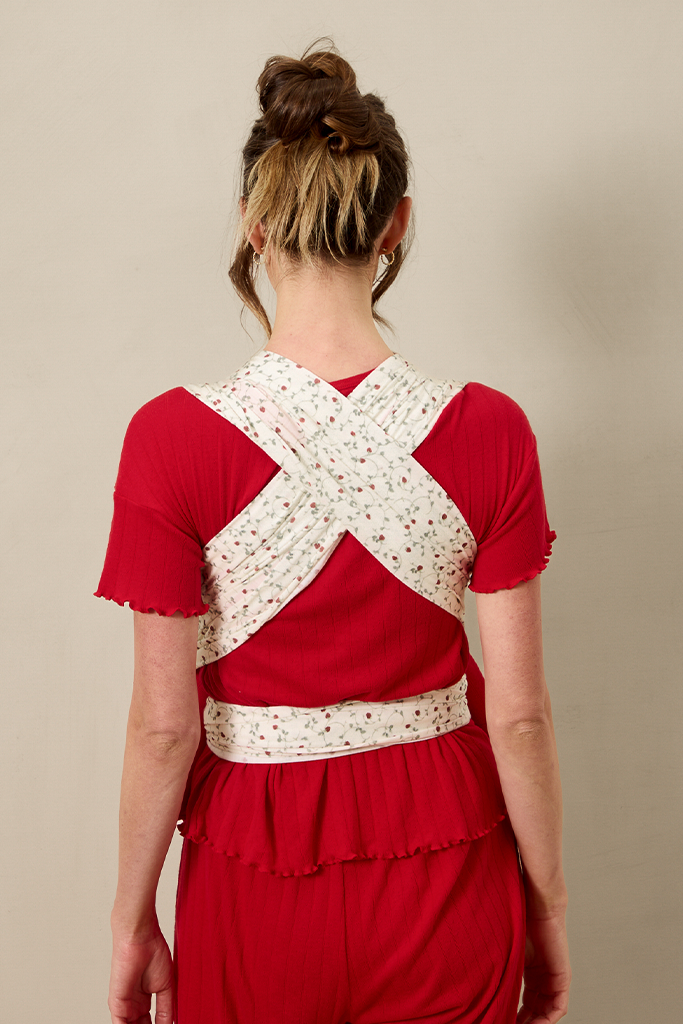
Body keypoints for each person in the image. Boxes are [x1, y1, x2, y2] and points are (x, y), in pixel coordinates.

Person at [97, 39, 570, 1024]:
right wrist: (547, 903)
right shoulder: (488, 431)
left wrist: (130, 917)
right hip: (449, 871)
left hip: (255, 882)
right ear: (395, 226)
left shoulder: (169, 441)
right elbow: (518, 717)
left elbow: (162, 724)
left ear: (252, 224)